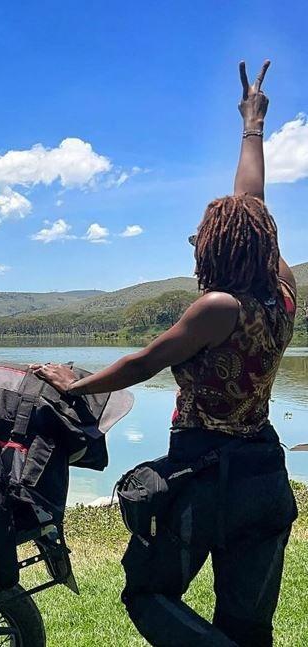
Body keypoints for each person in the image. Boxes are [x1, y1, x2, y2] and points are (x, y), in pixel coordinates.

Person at [32, 59, 298, 647]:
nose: (196, 242)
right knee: (248, 623)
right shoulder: (281, 295)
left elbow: (143, 363)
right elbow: (251, 200)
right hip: (265, 472)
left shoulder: (216, 309)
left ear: (219, 249)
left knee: (147, 592)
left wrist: (72, 383)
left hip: (207, 474)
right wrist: (251, 124)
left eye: (202, 237)